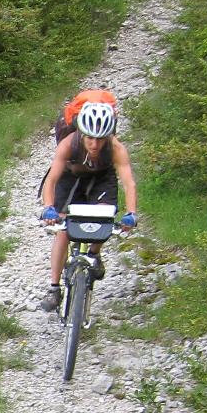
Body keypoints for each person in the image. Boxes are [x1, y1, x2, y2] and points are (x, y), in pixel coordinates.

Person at [37, 99, 138, 312]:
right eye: (90, 138)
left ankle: (93, 254)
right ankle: (54, 289)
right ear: (82, 133)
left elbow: (128, 182)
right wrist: (49, 207)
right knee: (63, 231)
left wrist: (131, 213)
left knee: (104, 219)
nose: (95, 144)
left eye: (100, 139)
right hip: (70, 178)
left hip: (101, 179)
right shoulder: (68, 144)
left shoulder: (116, 148)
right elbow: (52, 180)